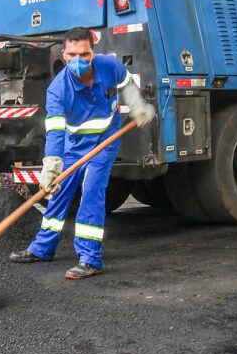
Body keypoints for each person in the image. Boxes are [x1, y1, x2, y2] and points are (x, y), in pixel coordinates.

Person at [10, 28, 155, 279]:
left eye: (85, 54)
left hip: (105, 141)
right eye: (73, 54)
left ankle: (90, 258)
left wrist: (138, 106)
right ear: (64, 55)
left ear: (93, 52)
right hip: (73, 145)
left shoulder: (109, 66)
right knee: (59, 190)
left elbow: (126, 84)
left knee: (91, 191)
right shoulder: (58, 90)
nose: (79, 59)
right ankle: (43, 248)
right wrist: (51, 168)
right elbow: (55, 132)